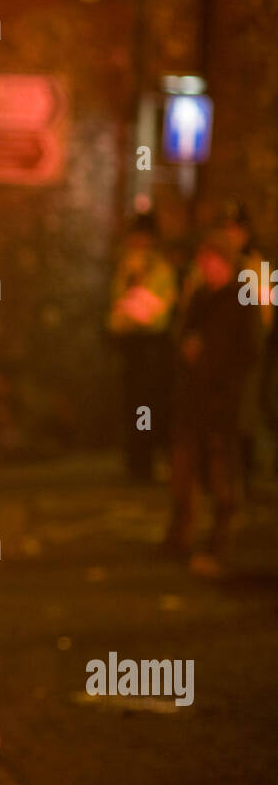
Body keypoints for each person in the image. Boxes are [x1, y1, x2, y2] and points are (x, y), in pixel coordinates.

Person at [164, 231, 260, 577]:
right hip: (194, 399)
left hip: (223, 402)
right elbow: (184, 336)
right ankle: (180, 536)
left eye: (211, 261)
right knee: (184, 469)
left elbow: (249, 350)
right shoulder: (201, 296)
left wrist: (222, 377)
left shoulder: (241, 298)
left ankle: (220, 538)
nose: (205, 268)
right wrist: (188, 354)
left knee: (221, 473)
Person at [106, 214, 177, 482]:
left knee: (150, 405)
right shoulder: (126, 268)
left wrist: (132, 310)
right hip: (130, 347)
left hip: (152, 348)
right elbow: (116, 310)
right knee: (132, 404)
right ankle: (136, 462)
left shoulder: (160, 269)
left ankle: (147, 462)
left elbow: (153, 312)